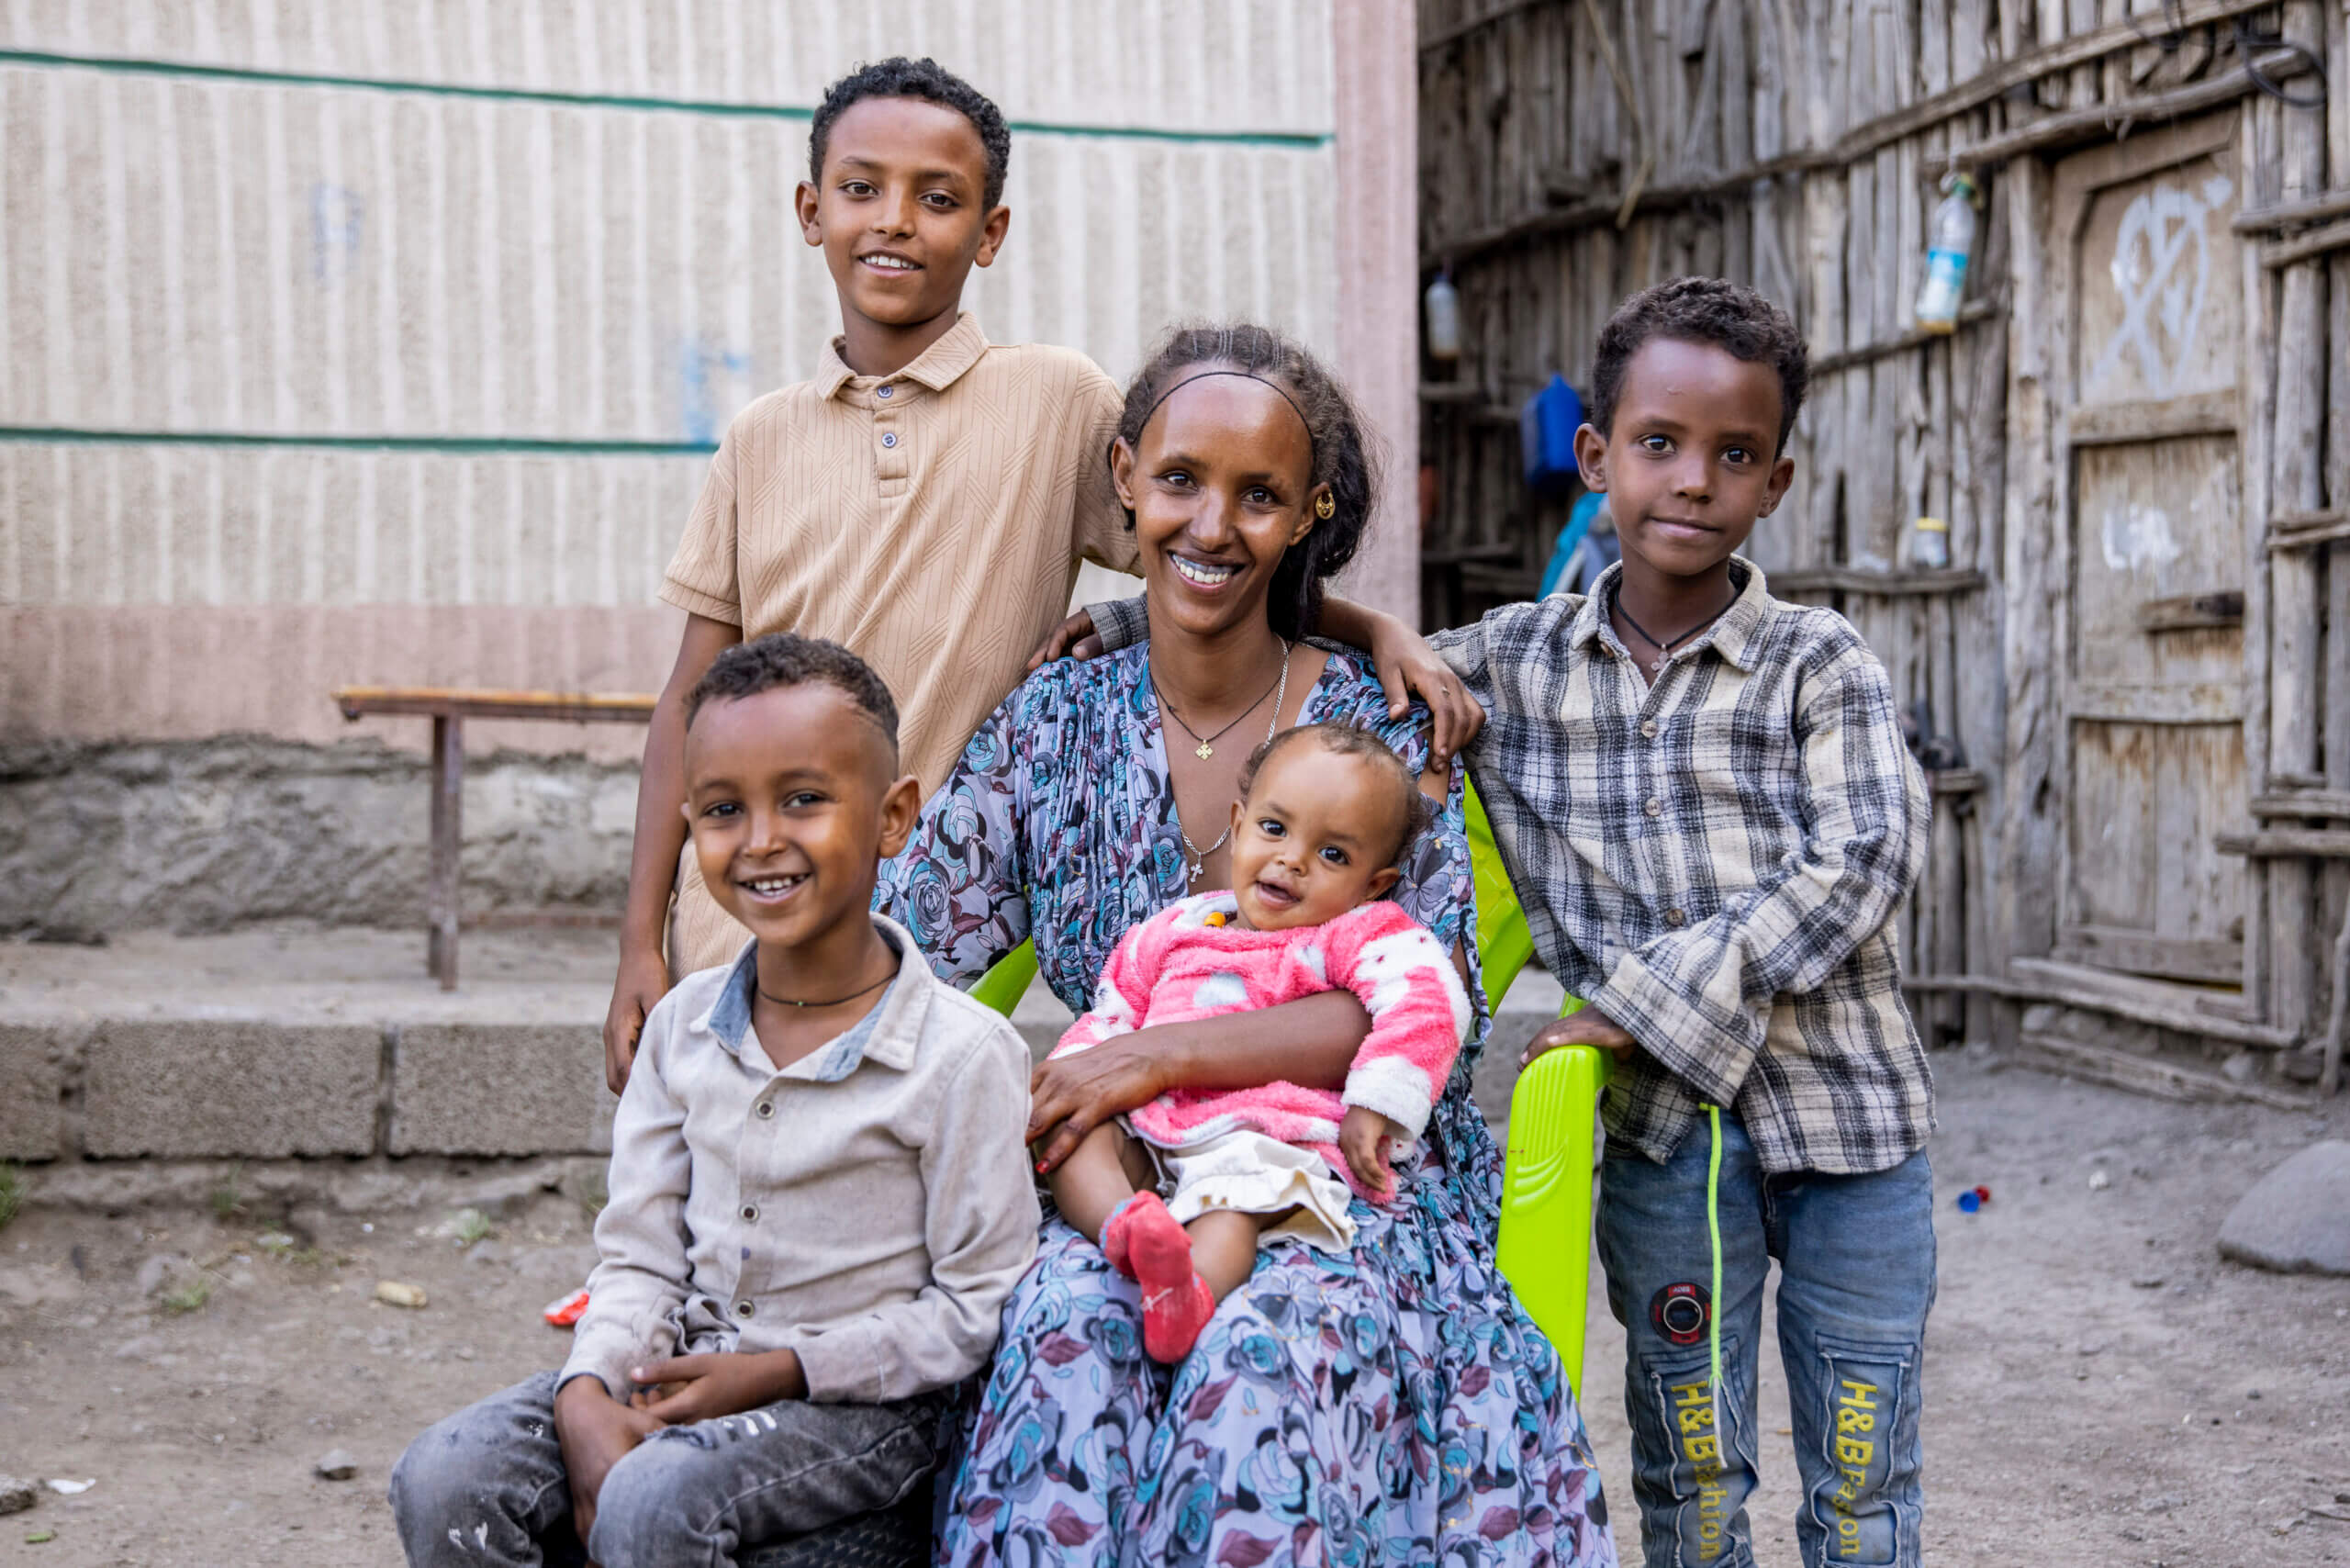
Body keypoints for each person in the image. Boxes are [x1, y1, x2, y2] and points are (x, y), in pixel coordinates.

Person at [878, 322, 1616, 1568]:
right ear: (1127, 480)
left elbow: (1419, 1008)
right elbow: (913, 952)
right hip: (1124, 1178)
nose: (1212, 526)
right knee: (1064, 1317)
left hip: (1342, 1174)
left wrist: (1152, 1058)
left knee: (1264, 1348)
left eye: (1259, 495)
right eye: (1181, 482)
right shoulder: (1054, 717)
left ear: (1307, 512)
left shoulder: (1372, 727)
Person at [606, 57, 1476, 1092]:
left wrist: (1369, 626)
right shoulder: (758, 442)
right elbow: (690, 706)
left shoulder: (1056, 401)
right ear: (810, 209)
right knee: (707, 1196)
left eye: (935, 198)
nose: (893, 221)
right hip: (751, 912)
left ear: (989, 232)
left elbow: (1204, 551)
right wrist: (638, 942)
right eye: (861, 189)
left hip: (949, 911)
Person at [1428, 276, 1934, 1568]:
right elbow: (1335, 659)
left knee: (1865, 1475)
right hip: (1666, 1146)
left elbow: (1865, 856)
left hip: (1852, 1132)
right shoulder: (1512, 662)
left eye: (1735, 454)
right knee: (1690, 1473)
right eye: (1658, 444)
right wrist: (1118, 617)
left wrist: (1632, 1008)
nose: (1693, 480)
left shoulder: (1822, 663)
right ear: (1596, 455)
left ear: (1776, 481)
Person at [391, 635, 1039, 1568]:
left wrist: (778, 1371)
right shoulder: (685, 1024)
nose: (763, 839)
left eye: (805, 799)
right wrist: (587, 1388)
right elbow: (640, 1256)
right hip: (681, 1369)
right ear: (691, 825)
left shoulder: (961, 1053)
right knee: (444, 1476)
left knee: (654, 1503)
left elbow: (975, 1307)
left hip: (857, 1412)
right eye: (725, 810)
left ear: (895, 816)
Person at [1044, 722, 1470, 1363]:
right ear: (1239, 824)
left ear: (1374, 884)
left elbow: (1430, 1002)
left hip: (1259, 1132)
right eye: (1275, 828)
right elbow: (1113, 1017)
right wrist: (1064, 1082)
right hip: (1151, 1123)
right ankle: (1126, 1227)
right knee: (1075, 1145)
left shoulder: (1353, 937)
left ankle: (1188, 1293)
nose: (1293, 859)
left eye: (1333, 855)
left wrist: (1378, 1100)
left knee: (1231, 1208)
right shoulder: (1176, 929)